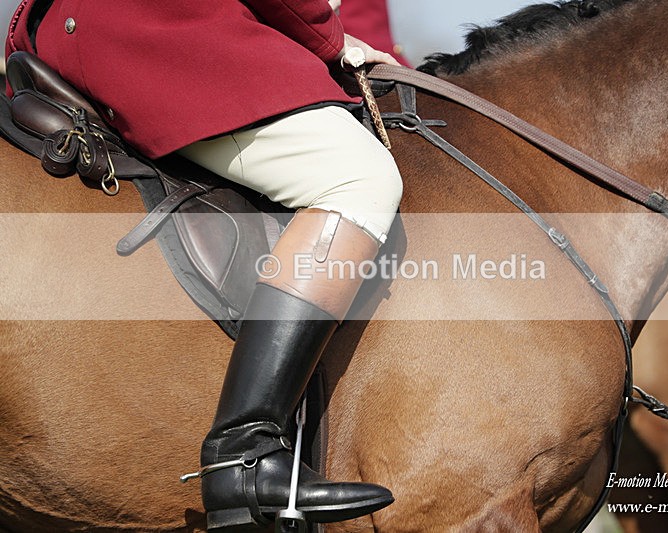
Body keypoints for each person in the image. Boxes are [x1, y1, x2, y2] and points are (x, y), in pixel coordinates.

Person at [6, 0, 402, 529]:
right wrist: (329, 39)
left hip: (66, 32)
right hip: (155, 32)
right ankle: (244, 447)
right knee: (363, 178)